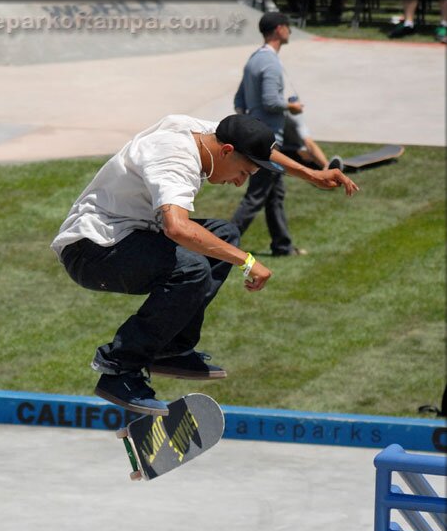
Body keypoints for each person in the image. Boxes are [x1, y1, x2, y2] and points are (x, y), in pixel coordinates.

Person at [51, 113, 358, 416]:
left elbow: (264, 148)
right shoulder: (174, 161)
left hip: (127, 234)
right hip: (92, 250)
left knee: (225, 234)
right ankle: (119, 368)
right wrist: (247, 261)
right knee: (191, 267)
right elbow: (177, 229)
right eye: (243, 173)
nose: (238, 183)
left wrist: (313, 174)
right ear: (226, 152)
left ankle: (172, 348)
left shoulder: (204, 132)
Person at [232, 11, 309, 257]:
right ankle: (222, 242)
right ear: (278, 29)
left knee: (275, 193)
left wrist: (249, 124)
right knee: (255, 197)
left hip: (256, 136)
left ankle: (282, 245)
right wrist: (291, 107)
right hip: (267, 141)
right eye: (287, 26)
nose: (290, 30)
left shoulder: (253, 59)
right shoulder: (271, 62)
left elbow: (239, 100)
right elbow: (269, 101)